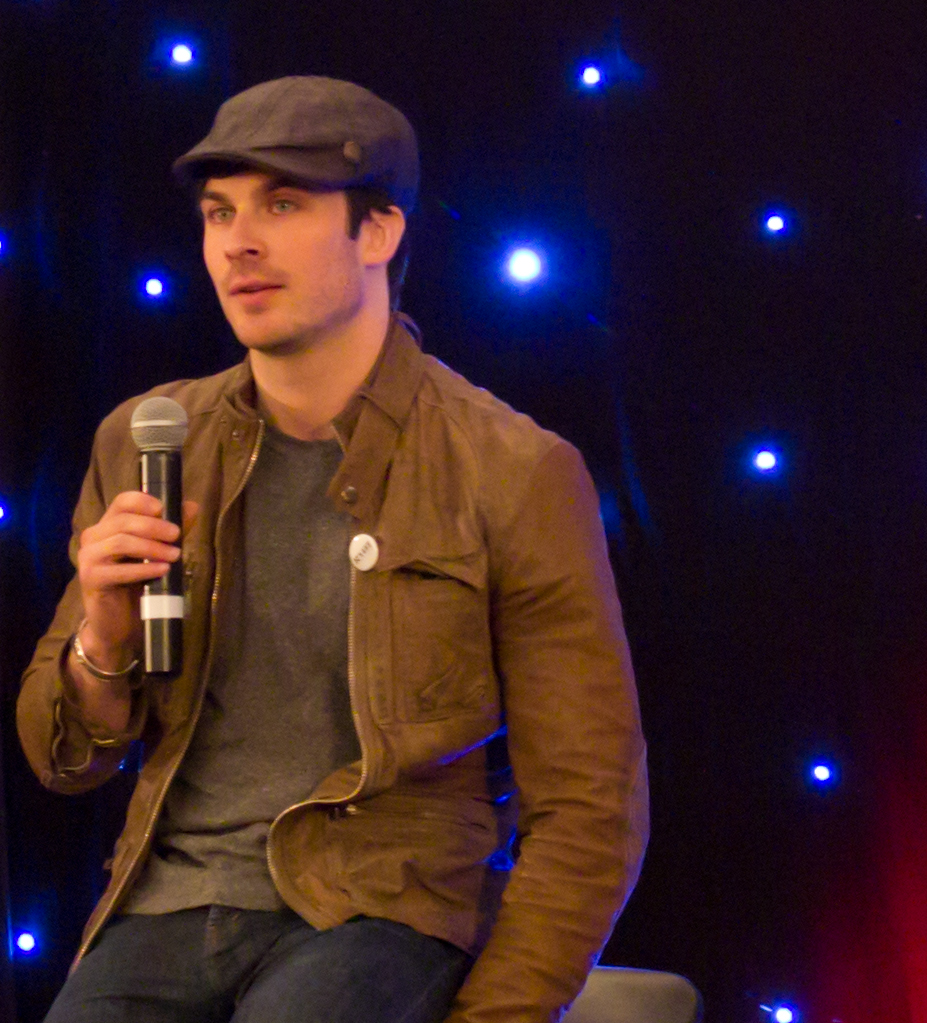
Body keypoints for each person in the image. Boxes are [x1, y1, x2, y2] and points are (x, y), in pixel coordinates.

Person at [15, 76, 649, 1023]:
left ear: (380, 232)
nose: (239, 242)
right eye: (218, 212)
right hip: (169, 903)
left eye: (283, 204)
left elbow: (590, 806)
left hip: (378, 905)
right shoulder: (149, 438)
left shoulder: (512, 468)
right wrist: (100, 637)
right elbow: (64, 759)